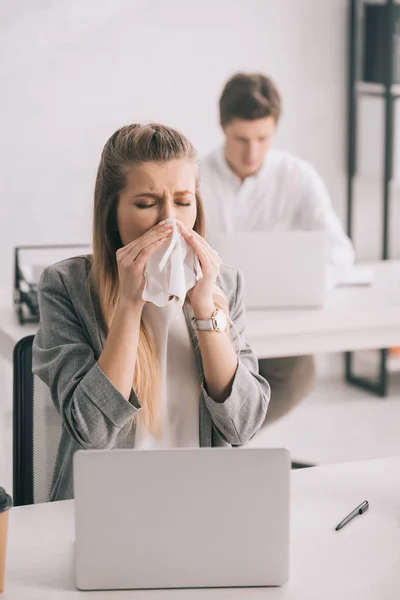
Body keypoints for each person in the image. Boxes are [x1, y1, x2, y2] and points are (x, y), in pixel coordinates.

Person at [32, 123, 270, 502]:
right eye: (146, 203)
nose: (169, 221)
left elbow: (242, 427)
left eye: (183, 201)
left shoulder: (225, 283)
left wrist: (205, 308)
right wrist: (129, 304)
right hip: (106, 506)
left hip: (201, 501)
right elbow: (92, 430)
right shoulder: (66, 286)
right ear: (112, 212)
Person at [200, 73, 355, 426]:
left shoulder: (297, 176)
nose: (252, 152)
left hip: (278, 320)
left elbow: (340, 251)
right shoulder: (194, 177)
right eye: (241, 138)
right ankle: (223, 438)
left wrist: (308, 283)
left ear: (275, 130)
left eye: (263, 138)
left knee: (300, 372)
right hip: (211, 321)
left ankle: (226, 438)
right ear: (223, 127)